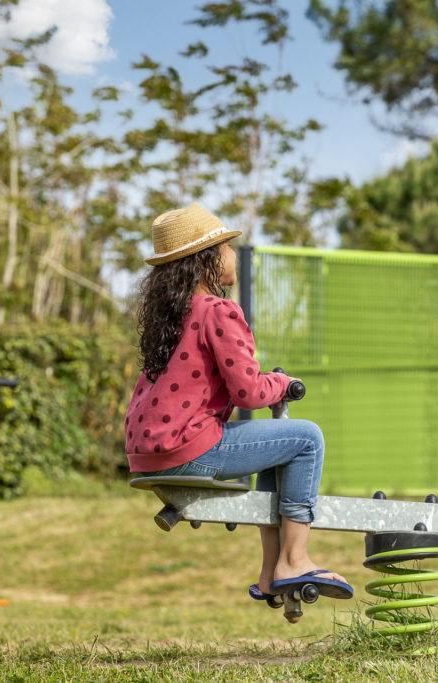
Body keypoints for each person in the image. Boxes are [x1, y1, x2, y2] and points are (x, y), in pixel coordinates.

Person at [125, 203, 351, 607]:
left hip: (147, 454)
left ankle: (271, 572)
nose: (232, 254)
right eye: (227, 246)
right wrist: (282, 383)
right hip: (187, 447)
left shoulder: (170, 317)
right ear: (207, 261)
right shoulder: (218, 311)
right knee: (307, 438)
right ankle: (295, 559)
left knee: (277, 450)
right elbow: (249, 391)